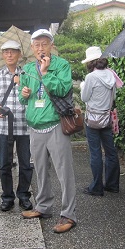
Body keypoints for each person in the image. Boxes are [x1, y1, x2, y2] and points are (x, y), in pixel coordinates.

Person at [18, 29, 77, 233]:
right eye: (36, 45)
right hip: (35, 126)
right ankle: (43, 206)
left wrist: (45, 73)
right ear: (32, 47)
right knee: (41, 171)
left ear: (51, 45)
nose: (40, 48)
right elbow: (22, 97)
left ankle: (68, 214)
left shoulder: (61, 65)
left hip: (56, 125)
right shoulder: (26, 69)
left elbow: (62, 89)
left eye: (44, 44)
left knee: (64, 171)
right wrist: (24, 93)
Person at [0, 40, 33, 212]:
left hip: (25, 125)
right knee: (4, 164)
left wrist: (22, 85)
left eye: (13, 51)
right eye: (6, 52)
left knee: (26, 164)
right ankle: (7, 197)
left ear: (19, 54)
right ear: (2, 55)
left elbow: (34, 96)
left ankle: (23, 195)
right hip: (4, 125)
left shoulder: (28, 73)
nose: (9, 55)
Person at [80, 46, 119, 196]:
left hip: (93, 120)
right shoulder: (112, 75)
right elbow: (113, 97)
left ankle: (97, 187)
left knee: (95, 153)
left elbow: (84, 98)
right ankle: (112, 185)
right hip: (106, 118)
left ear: (90, 62)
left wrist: (83, 86)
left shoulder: (91, 77)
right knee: (110, 152)